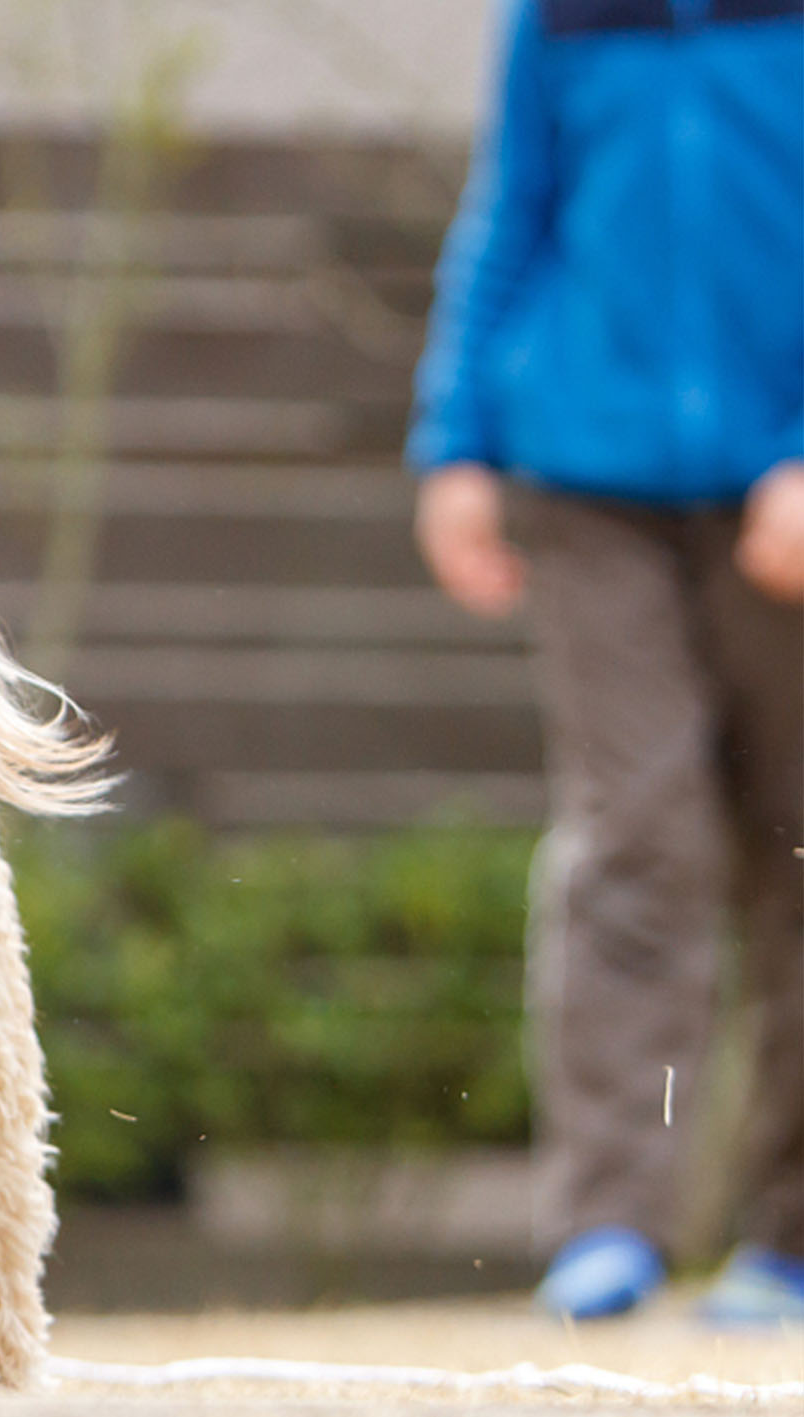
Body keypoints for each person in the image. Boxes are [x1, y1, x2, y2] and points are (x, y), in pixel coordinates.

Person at [409, 0, 804, 1323]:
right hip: (584, 471)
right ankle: (608, 1223)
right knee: (635, 833)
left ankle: (787, 1239)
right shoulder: (559, 14)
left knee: (794, 847)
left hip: (781, 483)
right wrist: (455, 440)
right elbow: (508, 212)